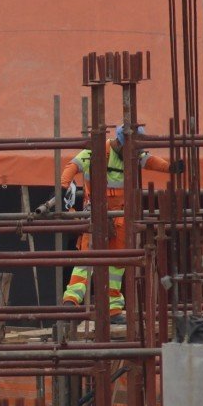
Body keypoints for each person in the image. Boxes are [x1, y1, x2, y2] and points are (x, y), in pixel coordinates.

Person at [58, 125, 171, 322]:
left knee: (117, 263)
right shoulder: (96, 151)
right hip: (95, 211)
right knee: (87, 256)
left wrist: (172, 167)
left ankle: (113, 309)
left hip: (120, 213)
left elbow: (151, 161)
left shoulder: (134, 154)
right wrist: (62, 187)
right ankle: (71, 300)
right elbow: (72, 166)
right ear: (119, 142)